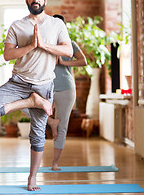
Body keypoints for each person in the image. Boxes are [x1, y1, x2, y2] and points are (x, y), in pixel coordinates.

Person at [0, 0, 73, 191]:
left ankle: (32, 178)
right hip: (19, 83)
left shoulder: (56, 25)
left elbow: (67, 50)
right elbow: (7, 55)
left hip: (43, 86)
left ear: (45, 0)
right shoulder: (17, 26)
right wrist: (31, 45)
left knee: (38, 134)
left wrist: (43, 45)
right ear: (26, 0)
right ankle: (30, 101)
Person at [49, 14, 87, 171]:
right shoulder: (46, 44)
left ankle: (55, 163)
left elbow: (83, 61)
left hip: (66, 87)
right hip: (47, 86)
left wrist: (63, 62)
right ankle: (50, 121)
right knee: (30, 108)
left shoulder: (70, 44)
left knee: (62, 125)